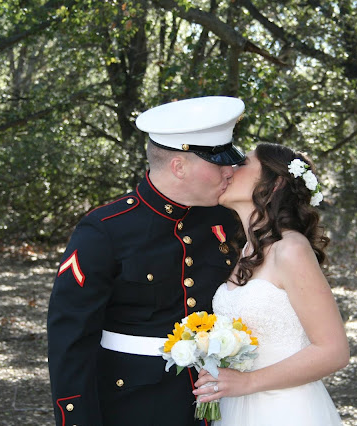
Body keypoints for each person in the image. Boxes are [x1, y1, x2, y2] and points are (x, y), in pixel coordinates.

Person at [47, 96, 247, 426]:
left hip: (221, 403)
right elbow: (71, 341)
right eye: (218, 163)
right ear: (179, 166)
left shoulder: (227, 220)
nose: (231, 171)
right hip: (133, 405)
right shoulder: (105, 230)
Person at [193, 143, 349, 425]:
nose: (228, 170)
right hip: (235, 408)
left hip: (285, 409)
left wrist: (248, 382)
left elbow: (334, 351)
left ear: (275, 183)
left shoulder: (291, 249)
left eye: (242, 164)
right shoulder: (244, 252)